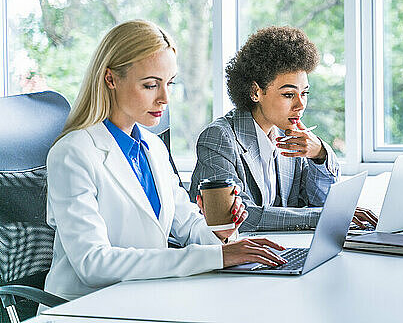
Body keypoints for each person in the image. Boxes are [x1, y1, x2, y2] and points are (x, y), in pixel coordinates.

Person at [43, 20, 286, 303]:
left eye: (169, 83)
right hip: (87, 306)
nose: (165, 98)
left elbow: (187, 225)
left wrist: (222, 237)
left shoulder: (153, 147)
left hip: (147, 296)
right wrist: (216, 256)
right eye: (150, 85)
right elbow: (93, 264)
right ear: (110, 79)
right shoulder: (73, 152)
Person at [190, 26, 377, 232]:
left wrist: (320, 155)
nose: (300, 104)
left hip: (280, 250)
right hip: (234, 257)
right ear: (255, 92)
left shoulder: (287, 135)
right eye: (289, 94)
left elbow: (319, 201)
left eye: (304, 93)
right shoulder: (219, 138)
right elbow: (241, 218)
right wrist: (325, 217)